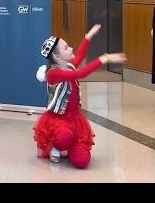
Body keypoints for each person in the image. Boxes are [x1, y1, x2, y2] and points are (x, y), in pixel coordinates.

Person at [33, 24, 127, 168]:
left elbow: (80, 55)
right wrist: (104, 58)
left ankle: (72, 149)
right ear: (56, 56)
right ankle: (56, 147)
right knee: (64, 136)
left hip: (75, 119)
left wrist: (88, 37)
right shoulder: (53, 73)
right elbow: (81, 73)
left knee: (82, 161)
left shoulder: (68, 65)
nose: (70, 48)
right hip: (58, 120)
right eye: (66, 48)